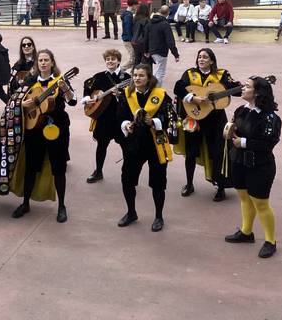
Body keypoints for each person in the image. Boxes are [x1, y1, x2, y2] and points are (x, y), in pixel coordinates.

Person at [12, 49, 77, 223]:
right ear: (37, 63)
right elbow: (17, 100)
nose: (43, 63)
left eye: (46, 60)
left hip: (57, 129)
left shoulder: (60, 81)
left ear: (52, 62)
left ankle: (62, 206)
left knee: (59, 168)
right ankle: (25, 203)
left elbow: (73, 101)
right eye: (40, 60)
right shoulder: (30, 81)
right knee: (31, 166)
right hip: (35, 130)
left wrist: (66, 90)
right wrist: (22, 103)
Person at [224, 76, 282, 259]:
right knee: (244, 198)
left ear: (257, 93)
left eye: (247, 86)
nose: (242, 88)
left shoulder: (271, 118)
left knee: (261, 203)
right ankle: (246, 232)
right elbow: (235, 129)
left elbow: (268, 144)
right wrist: (230, 131)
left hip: (260, 165)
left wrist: (242, 142)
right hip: (239, 161)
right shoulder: (241, 109)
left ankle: (270, 241)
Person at [173, 47, 239, 201]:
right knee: (190, 153)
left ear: (212, 60)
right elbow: (178, 87)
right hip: (195, 118)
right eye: (199, 57)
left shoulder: (221, 74)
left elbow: (232, 90)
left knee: (217, 152)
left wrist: (240, 87)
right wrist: (192, 98)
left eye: (205, 57)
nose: (201, 59)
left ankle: (220, 186)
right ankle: (189, 184)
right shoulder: (190, 73)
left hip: (215, 120)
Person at [117, 63, 174, 231]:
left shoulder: (161, 95)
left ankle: (158, 216)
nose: (137, 78)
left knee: (158, 182)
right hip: (134, 144)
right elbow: (120, 116)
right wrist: (126, 125)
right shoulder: (127, 95)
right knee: (127, 179)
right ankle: (131, 212)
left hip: (156, 143)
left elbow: (171, 117)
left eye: (141, 75)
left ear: (149, 78)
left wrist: (155, 122)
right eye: (135, 75)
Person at [80, 49, 129, 184]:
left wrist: (120, 96)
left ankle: (128, 173)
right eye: (107, 59)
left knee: (125, 146)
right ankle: (98, 171)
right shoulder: (99, 76)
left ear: (118, 61)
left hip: (120, 119)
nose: (110, 61)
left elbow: (132, 98)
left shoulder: (127, 78)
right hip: (104, 118)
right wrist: (87, 98)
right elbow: (87, 87)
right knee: (101, 145)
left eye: (113, 59)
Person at [146, 5, 180, 84]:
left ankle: (152, 87)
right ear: (168, 13)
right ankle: (155, 89)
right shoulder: (165, 24)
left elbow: (146, 38)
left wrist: (146, 50)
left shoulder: (150, 23)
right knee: (160, 72)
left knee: (156, 70)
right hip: (161, 51)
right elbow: (170, 41)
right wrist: (176, 54)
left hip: (152, 50)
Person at [120, 0, 137, 66]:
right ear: (133, 5)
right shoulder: (128, 15)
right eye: (136, 5)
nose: (136, 7)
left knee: (133, 58)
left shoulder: (126, 14)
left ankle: (133, 72)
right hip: (128, 39)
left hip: (127, 38)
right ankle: (119, 70)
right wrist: (131, 39)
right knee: (132, 59)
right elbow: (127, 28)